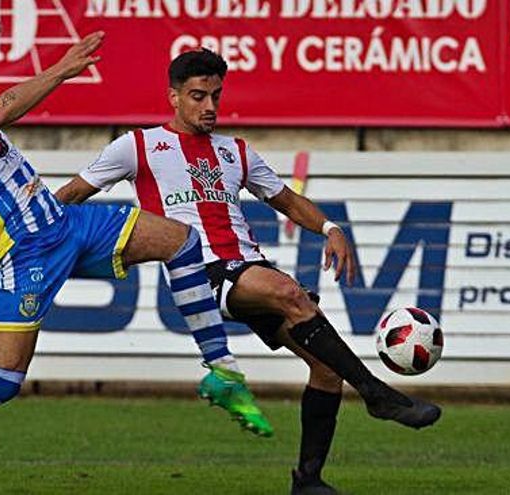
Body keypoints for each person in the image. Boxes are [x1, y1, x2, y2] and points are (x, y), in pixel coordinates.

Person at [0, 8, 271, 494]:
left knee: (182, 240)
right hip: (25, 251)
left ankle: (222, 371)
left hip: (62, 222)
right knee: (2, 379)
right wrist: (62, 69)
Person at [55, 48, 442, 495]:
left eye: (216, 96)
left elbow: (288, 201)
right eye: (198, 96)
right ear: (174, 97)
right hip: (199, 270)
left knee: (325, 370)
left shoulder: (235, 152)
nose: (210, 107)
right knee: (291, 293)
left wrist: (331, 228)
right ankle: (377, 394)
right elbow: (72, 193)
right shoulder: (137, 146)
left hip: (246, 266)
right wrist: (21, 245)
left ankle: (308, 480)